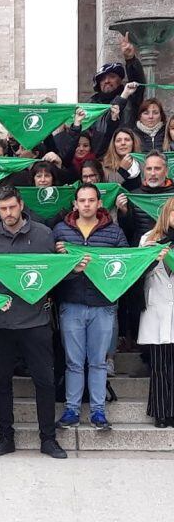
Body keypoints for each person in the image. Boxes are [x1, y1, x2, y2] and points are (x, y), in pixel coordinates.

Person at [0, 186, 67, 459]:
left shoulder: (44, 235)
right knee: (1, 383)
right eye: (2, 209)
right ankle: (4, 437)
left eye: (12, 207)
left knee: (44, 381)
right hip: (0, 325)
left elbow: (55, 276)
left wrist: (68, 268)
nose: (8, 213)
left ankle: (48, 438)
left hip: (36, 322)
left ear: (21, 205)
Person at [52, 183, 126, 430]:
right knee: (73, 361)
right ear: (75, 204)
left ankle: (98, 412)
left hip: (103, 305)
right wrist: (65, 263)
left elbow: (124, 267)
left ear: (99, 203)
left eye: (91, 200)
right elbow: (51, 270)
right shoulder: (61, 231)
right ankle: (72, 410)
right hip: (71, 304)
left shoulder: (114, 233)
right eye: (82, 200)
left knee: (98, 361)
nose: (86, 204)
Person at [138, 198, 174, 427]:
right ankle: (161, 412)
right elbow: (137, 274)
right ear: (166, 214)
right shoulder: (148, 239)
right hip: (157, 308)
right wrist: (151, 258)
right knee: (160, 365)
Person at [118, 150, 174, 245]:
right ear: (144, 171)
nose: (152, 173)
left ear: (166, 171)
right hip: (144, 250)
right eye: (149, 169)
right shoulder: (134, 196)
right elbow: (128, 232)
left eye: (157, 168)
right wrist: (124, 212)